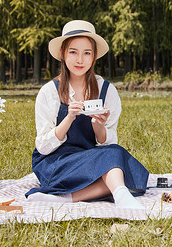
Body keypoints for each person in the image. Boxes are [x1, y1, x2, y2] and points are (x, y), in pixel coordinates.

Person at [26, 20, 148, 209]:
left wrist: (98, 126)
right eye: (73, 52)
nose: (80, 60)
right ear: (62, 54)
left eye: (87, 53)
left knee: (116, 155)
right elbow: (42, 147)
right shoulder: (49, 92)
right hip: (57, 163)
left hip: (93, 161)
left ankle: (72, 198)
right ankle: (120, 193)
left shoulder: (106, 90)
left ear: (94, 56)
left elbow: (108, 144)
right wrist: (68, 118)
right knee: (116, 168)